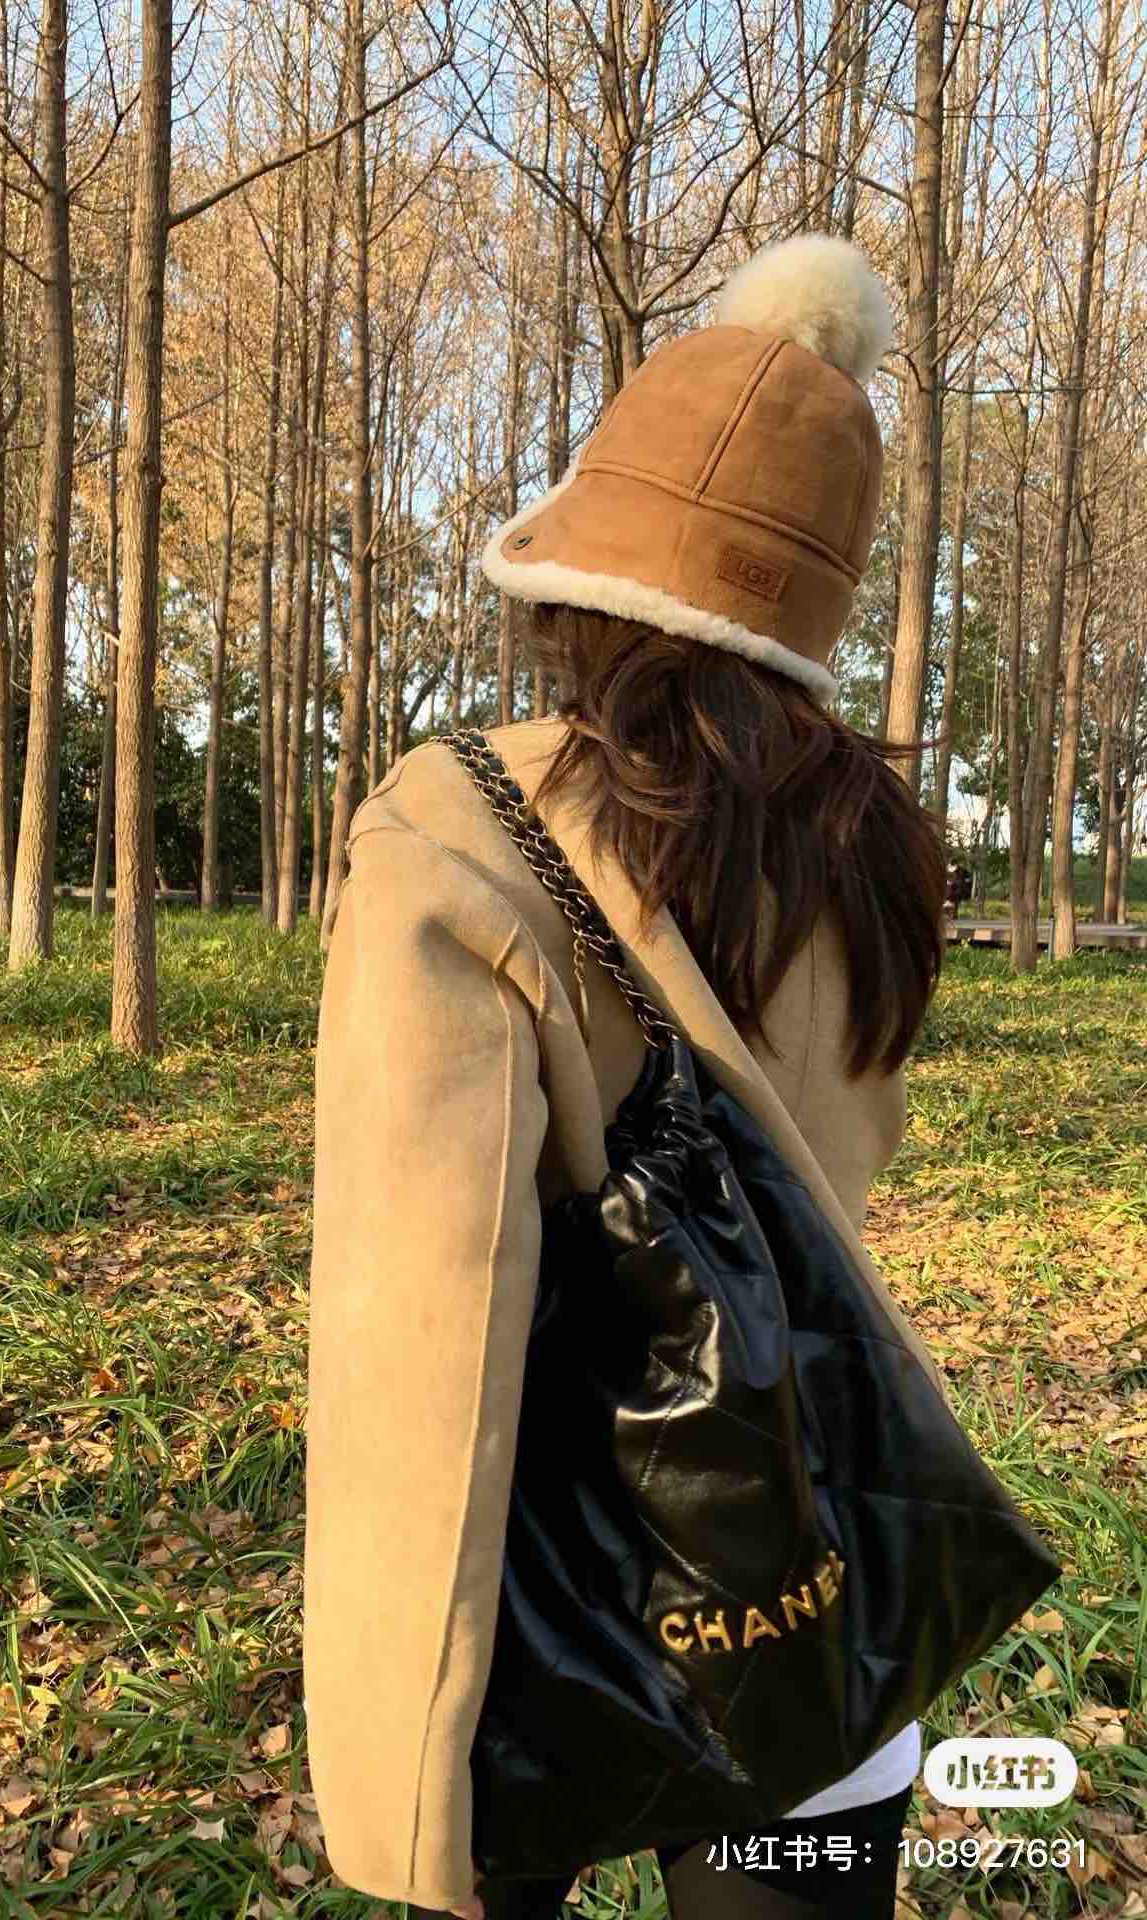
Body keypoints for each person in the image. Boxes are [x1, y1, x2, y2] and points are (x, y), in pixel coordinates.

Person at [304, 234, 949, 1920]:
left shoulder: (455, 834)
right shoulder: (878, 852)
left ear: (579, 568)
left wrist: (403, 1786)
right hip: (808, 1572)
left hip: (535, 1632)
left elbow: (426, 1333)